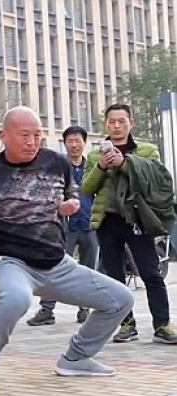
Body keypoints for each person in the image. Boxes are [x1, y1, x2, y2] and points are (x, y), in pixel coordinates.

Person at [0, 106, 134, 396]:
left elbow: (71, 191)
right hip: (9, 262)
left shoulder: (56, 162)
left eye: (37, 135)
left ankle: (76, 358)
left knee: (121, 298)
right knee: (16, 298)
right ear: (3, 136)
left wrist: (69, 204)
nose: (32, 142)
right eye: (24, 135)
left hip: (57, 263)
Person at [81, 103, 177, 344]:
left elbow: (157, 179)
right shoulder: (94, 155)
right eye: (111, 121)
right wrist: (102, 166)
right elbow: (87, 187)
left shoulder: (147, 150)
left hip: (137, 221)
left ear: (131, 123)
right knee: (114, 278)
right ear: (105, 124)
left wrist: (124, 163)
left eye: (121, 121)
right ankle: (126, 323)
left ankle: (163, 325)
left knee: (151, 274)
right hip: (107, 223)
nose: (116, 125)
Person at [27, 126, 96, 326]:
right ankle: (47, 310)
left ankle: (85, 308)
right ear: (64, 143)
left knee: (88, 270)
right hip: (63, 227)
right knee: (54, 267)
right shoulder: (56, 166)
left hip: (89, 225)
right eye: (70, 141)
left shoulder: (92, 167)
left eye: (78, 141)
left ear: (84, 142)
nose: (74, 145)